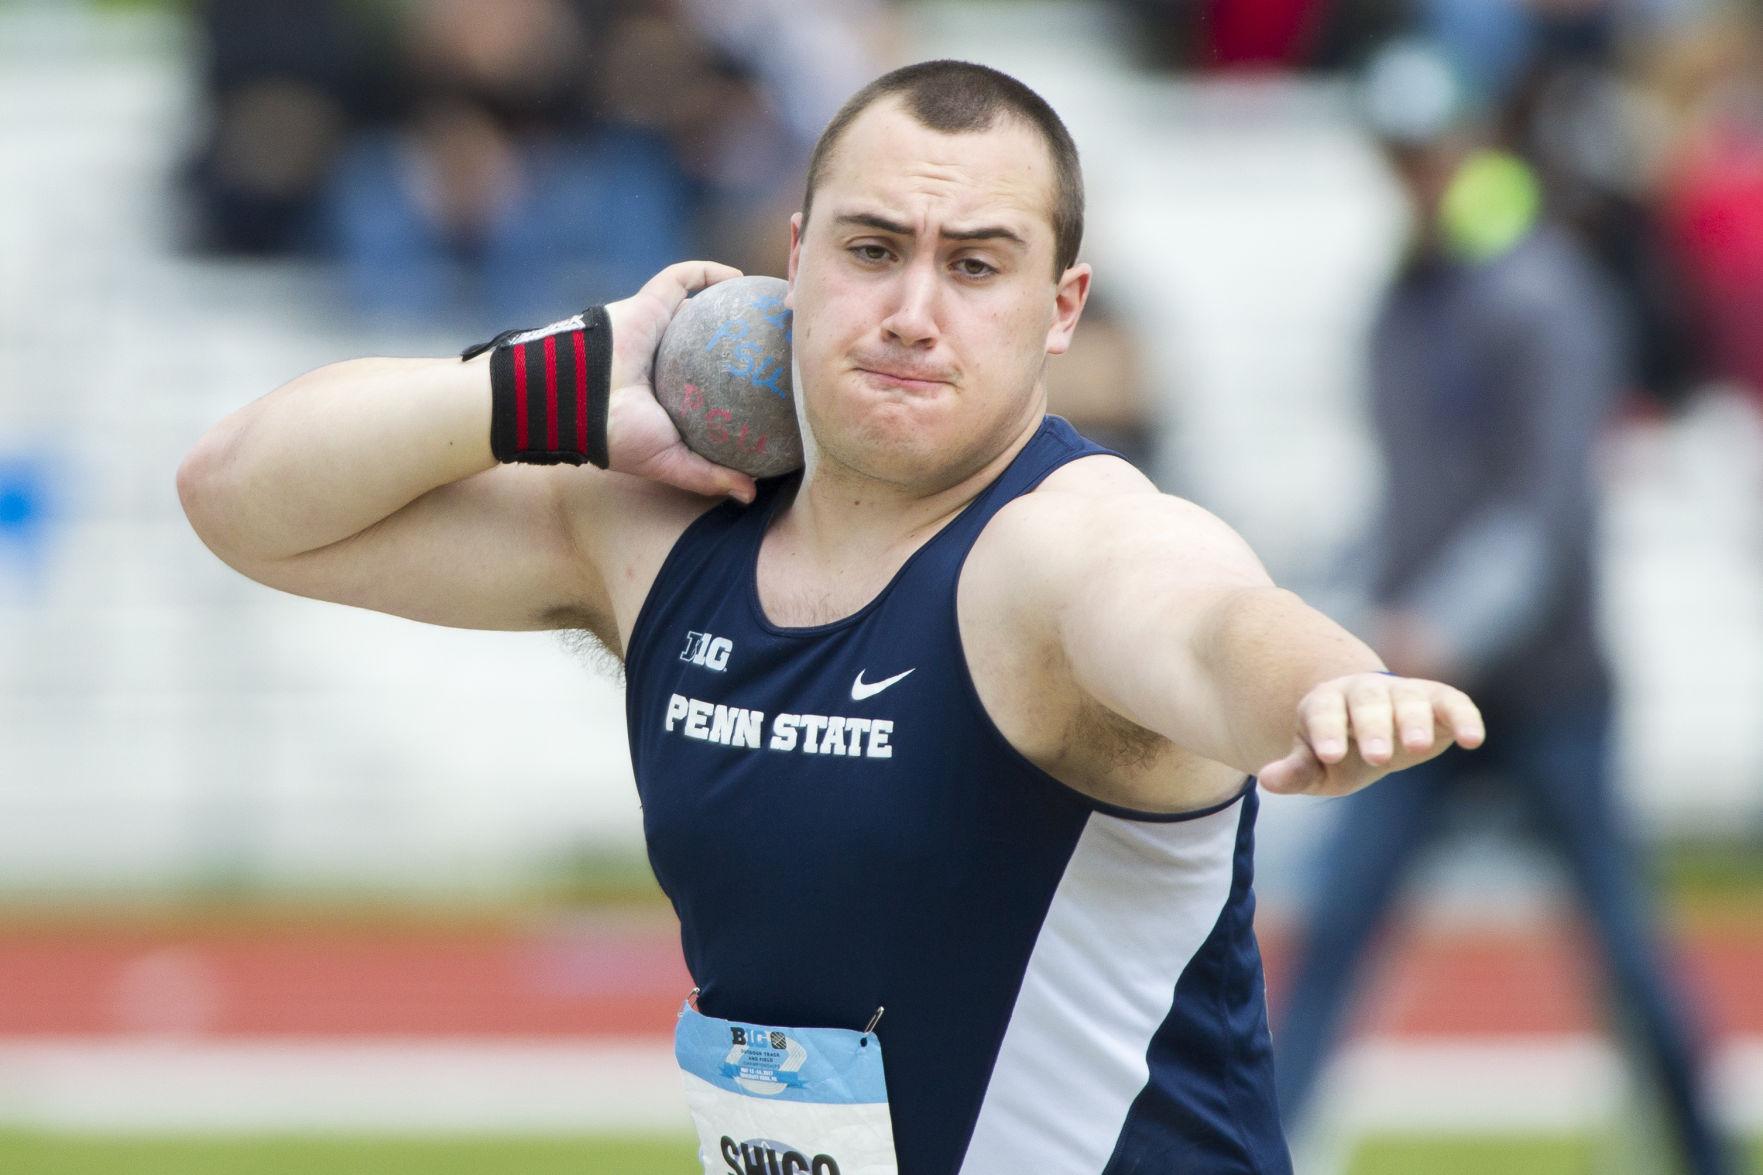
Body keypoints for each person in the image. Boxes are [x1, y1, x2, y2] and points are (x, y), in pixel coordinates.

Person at [179, 59, 1483, 1175]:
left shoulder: (1053, 549)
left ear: (1059, 311)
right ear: (792, 258)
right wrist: (565, 379)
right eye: (871, 250)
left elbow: (1203, 621)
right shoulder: (655, 531)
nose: (912, 313)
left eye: (975, 266)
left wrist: (1326, 681)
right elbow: (241, 496)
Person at [1271, 42, 1735, 1175]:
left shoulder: (1540, 292)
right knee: (1332, 930)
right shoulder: (1399, 299)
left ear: (1468, 147)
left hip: (1541, 690)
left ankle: (1704, 1153)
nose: (1413, 173)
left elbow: (1544, 514)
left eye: (1426, 151)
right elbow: (1403, 497)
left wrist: (1434, 626)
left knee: (1622, 946)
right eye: (1396, 154)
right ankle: (1263, 1148)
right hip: (1416, 692)